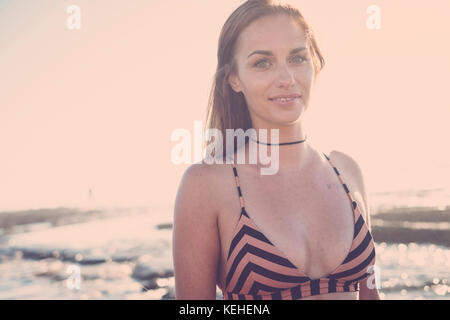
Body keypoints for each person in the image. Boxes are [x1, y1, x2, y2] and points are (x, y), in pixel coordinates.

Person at [173, 0, 380, 300]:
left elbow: (371, 296)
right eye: (262, 63)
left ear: (314, 63)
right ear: (234, 78)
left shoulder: (347, 171)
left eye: (297, 58)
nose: (286, 79)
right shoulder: (206, 184)